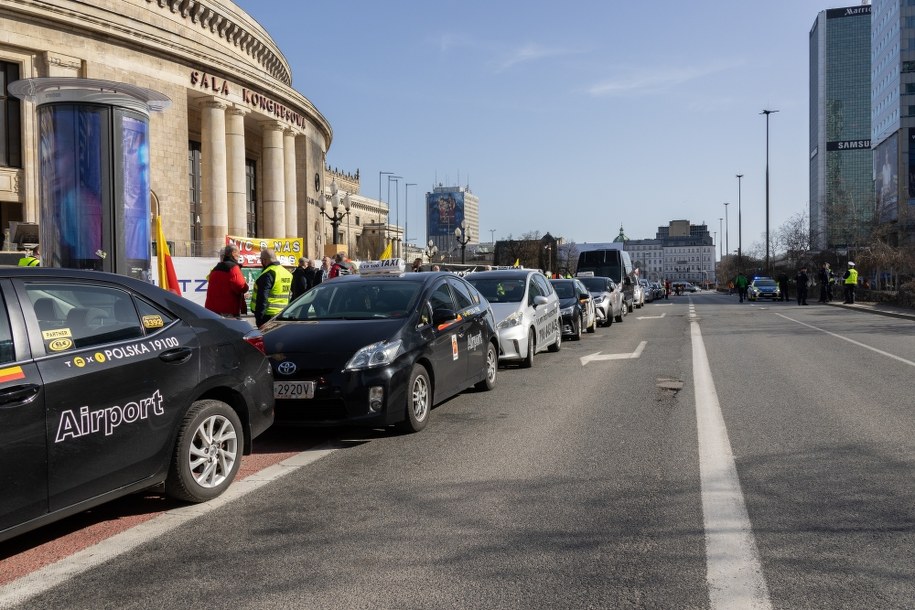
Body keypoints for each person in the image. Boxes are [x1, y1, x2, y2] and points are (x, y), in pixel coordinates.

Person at [249, 248, 293, 327]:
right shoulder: (287, 273)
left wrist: (259, 318)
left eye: (261, 260)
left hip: (267, 315)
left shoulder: (268, 274)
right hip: (282, 313)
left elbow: (262, 297)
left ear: (264, 260)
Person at [205, 245, 248, 318]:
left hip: (212, 310)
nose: (239, 256)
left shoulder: (216, 268)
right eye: (238, 253)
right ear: (233, 253)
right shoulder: (233, 268)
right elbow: (240, 286)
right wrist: (245, 285)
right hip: (227, 311)